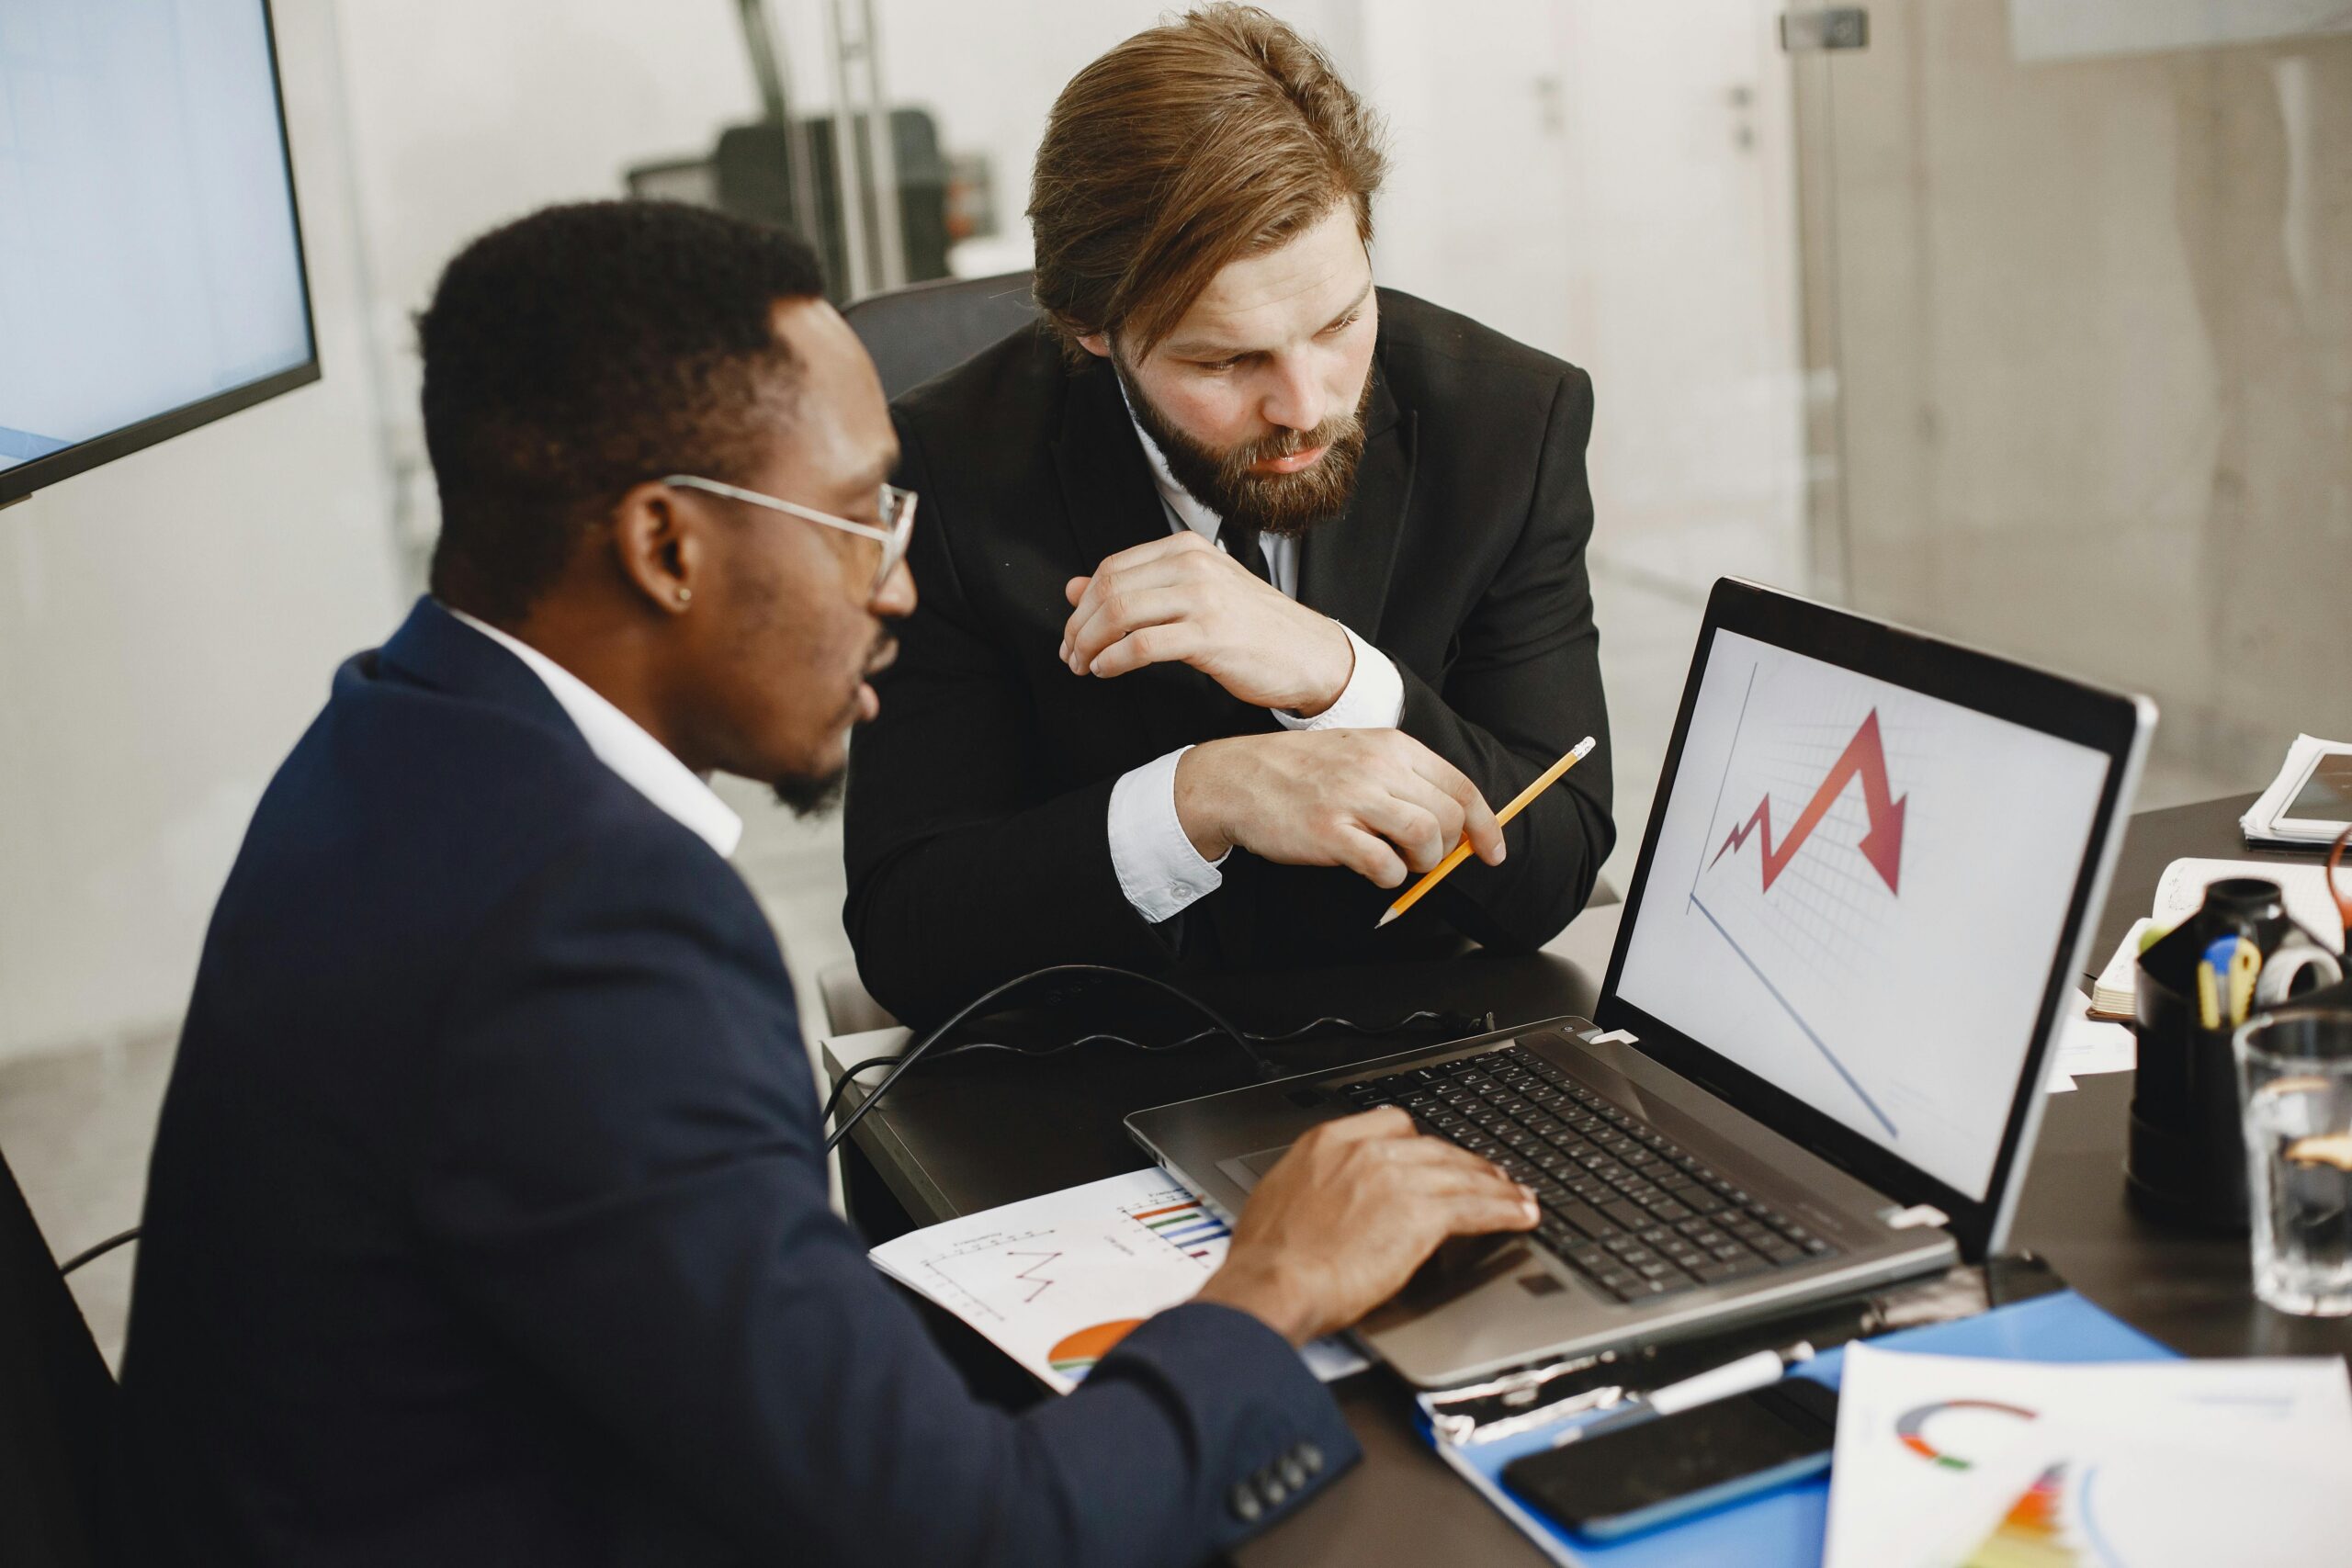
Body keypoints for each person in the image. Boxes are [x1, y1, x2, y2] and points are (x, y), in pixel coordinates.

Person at [116, 200, 1540, 1567]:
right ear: (667, 543)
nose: (898, 586)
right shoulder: (593, 928)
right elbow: (982, 1536)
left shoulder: (400, 736)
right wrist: (1273, 1280)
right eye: (861, 516)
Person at [843, 5, 1615, 1028]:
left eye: (1340, 322)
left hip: (1420, 1029)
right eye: (1223, 360)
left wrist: (1340, 678)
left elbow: (1553, 869)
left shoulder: (1509, 424)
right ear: (1090, 330)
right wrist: (1196, 798)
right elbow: (909, 932)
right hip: (1090, 1064)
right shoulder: (944, 467)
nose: (1306, 403)